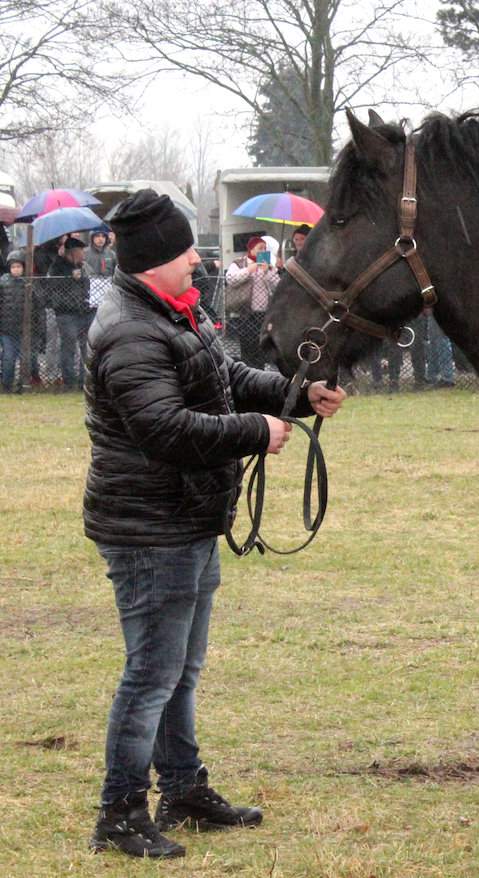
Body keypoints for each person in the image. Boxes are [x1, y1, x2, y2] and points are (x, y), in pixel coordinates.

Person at [83, 189, 347, 859]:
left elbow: (222, 375)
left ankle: (182, 789)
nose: (196, 258)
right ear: (152, 262)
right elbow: (162, 429)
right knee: (152, 673)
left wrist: (294, 395)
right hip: (150, 527)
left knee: (179, 669)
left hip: (184, 517)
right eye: (183, 250)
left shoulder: (173, 310)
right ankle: (119, 813)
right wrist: (255, 431)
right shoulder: (128, 329)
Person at [224, 236, 278, 368]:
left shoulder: (268, 265)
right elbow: (231, 279)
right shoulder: (239, 263)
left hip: (263, 314)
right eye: (260, 248)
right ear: (251, 248)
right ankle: (247, 372)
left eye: (265, 248)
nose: (263, 251)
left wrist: (267, 272)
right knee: (247, 346)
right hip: (245, 313)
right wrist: (249, 270)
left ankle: (260, 372)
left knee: (261, 346)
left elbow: (277, 285)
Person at [47, 236, 94, 390]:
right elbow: (53, 285)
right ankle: (69, 381)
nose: (83, 254)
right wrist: (70, 278)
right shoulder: (57, 267)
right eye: (80, 251)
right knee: (68, 347)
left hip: (85, 311)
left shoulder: (84, 267)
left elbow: (89, 285)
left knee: (86, 348)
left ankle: (84, 380)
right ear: (72, 252)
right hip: (66, 313)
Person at [0, 250, 32, 391]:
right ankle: (7, 385)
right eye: (13, 267)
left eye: (19, 267)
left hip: (23, 329)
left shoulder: (28, 283)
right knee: (8, 357)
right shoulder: (2, 282)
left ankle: (22, 385)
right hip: (6, 328)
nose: (16, 269)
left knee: (25, 359)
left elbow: (35, 304)